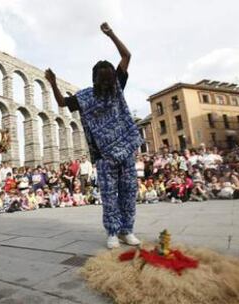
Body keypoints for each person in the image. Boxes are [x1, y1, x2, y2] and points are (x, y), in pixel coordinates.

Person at [46, 22, 142, 249]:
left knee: (129, 191)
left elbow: (127, 55)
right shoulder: (86, 97)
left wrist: (111, 34)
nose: (109, 81)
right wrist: (52, 83)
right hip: (104, 154)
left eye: (111, 76)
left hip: (126, 149)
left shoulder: (117, 87)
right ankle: (112, 232)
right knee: (109, 194)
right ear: (96, 79)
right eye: (105, 77)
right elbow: (62, 103)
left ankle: (127, 230)